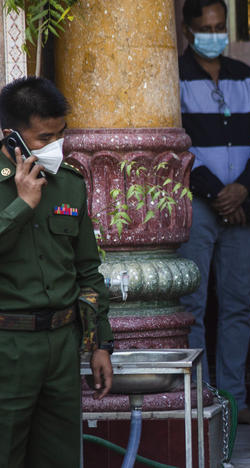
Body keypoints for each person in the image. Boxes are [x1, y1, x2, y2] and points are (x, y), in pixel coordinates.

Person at [0, 77, 114, 467]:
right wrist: (21, 206)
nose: (55, 146)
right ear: (10, 135)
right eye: (43, 137)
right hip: (8, 346)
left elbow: (88, 271)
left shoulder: (69, 184)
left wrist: (101, 343)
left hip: (62, 347)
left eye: (60, 135)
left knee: (60, 458)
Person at [178, 0, 250, 425]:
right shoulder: (173, 76)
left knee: (238, 305)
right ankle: (198, 398)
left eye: (221, 26)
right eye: (207, 27)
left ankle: (234, 401)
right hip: (199, 205)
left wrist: (243, 189)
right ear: (188, 31)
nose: (215, 34)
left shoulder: (244, 74)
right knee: (192, 304)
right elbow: (178, 143)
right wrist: (220, 194)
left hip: (240, 204)